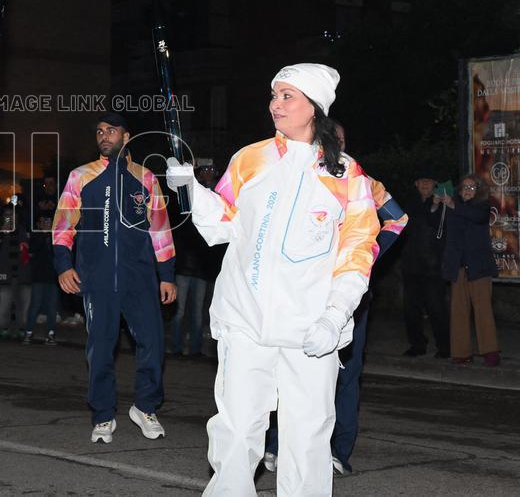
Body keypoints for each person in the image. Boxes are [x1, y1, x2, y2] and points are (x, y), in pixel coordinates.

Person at [168, 63, 379, 496]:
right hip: (246, 318)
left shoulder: (348, 176)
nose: (275, 104)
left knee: (307, 436)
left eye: (287, 96)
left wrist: (334, 316)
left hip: (310, 328)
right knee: (236, 429)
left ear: (314, 108)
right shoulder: (251, 157)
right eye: (274, 95)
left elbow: (358, 253)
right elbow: (223, 224)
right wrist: (190, 189)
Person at [263, 122, 407, 476]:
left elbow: (399, 219)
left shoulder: (363, 181)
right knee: (289, 370)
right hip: (299, 291)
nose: (335, 143)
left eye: (341, 139)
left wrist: (366, 255)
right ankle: (277, 445)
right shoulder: (295, 175)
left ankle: (337, 450)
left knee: (345, 373)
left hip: (348, 295)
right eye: (330, 138)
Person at [53, 112, 177, 444]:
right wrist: (64, 265)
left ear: (126, 136)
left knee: (153, 343)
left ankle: (145, 407)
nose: (104, 136)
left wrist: (166, 275)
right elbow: (63, 225)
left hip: (140, 279)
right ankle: (103, 415)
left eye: (111, 130)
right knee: (101, 348)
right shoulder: (81, 176)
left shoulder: (146, 177)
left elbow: (161, 229)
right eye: (99, 132)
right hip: (98, 279)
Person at [436, 175, 500, 366]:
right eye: (465, 187)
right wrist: (434, 204)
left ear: (479, 191)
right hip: (458, 266)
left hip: (479, 266)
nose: (468, 190)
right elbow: (434, 223)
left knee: (483, 310)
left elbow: (477, 217)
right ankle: (461, 352)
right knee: (458, 310)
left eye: (472, 187)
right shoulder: (452, 206)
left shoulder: (482, 206)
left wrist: (453, 205)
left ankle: (490, 352)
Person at [169, 159, 221, 358]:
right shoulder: (189, 197)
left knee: (198, 312)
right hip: (184, 266)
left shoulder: (215, 196)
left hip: (201, 267)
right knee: (180, 311)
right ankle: (175, 348)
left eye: (212, 169)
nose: (208, 173)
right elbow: (180, 223)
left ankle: (196, 349)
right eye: (204, 169)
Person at [401, 176, 450, 358]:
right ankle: (417, 344)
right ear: (415, 183)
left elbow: (441, 226)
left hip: (433, 266)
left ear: (435, 183)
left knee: (436, 308)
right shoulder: (408, 204)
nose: (424, 184)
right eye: (421, 181)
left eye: (429, 181)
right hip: (411, 265)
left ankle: (444, 346)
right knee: (410, 309)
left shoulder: (442, 202)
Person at [0, 204, 31, 339]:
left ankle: (21, 329)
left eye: (12, 214)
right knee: (4, 305)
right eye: (7, 215)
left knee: (23, 306)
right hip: (5, 275)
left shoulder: (24, 231)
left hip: (23, 275)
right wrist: (1, 233)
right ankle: (4, 329)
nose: (9, 217)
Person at [24, 214, 60, 345]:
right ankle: (28, 332)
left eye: (48, 221)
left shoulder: (56, 237)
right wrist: (43, 235)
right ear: (38, 224)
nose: (46, 223)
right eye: (43, 221)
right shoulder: (35, 236)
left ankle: (51, 334)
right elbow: (33, 250)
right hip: (38, 277)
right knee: (35, 305)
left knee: (52, 307)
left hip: (52, 278)